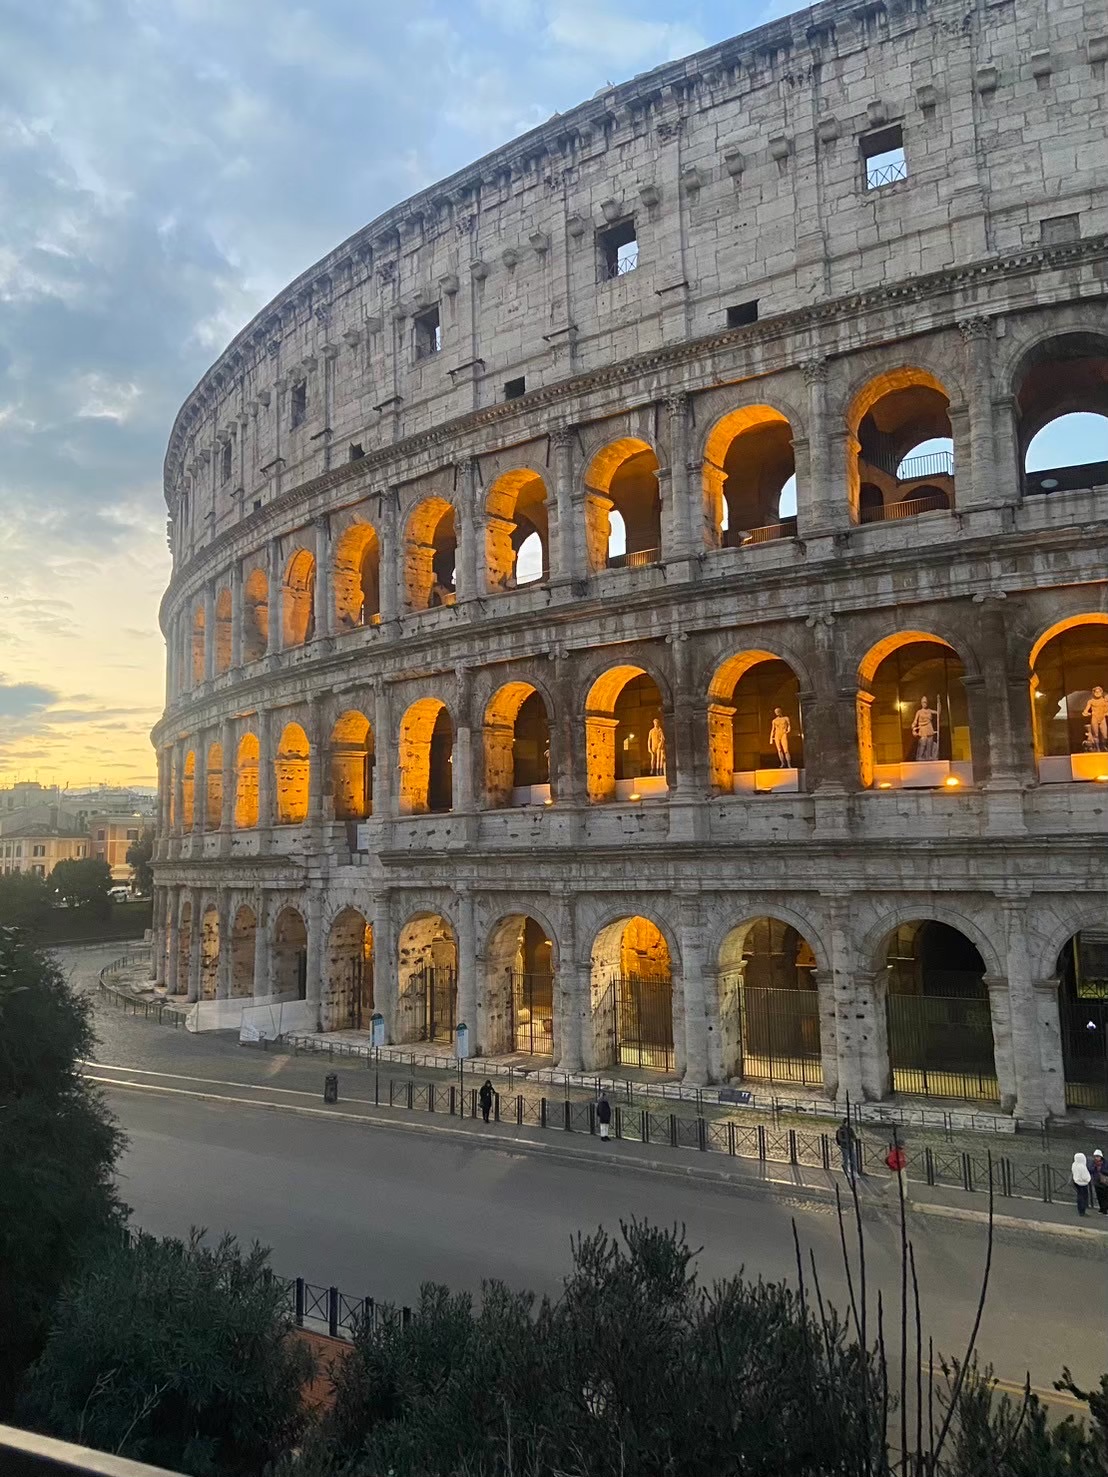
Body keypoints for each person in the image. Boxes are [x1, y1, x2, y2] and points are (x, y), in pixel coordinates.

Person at [911, 697, 939, 761]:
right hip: (922, 728)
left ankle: (929, 756)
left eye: (926, 702)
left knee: (930, 743)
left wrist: (939, 705)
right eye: (923, 702)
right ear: (921, 703)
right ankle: (920, 756)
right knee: (923, 743)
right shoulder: (919, 712)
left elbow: (937, 712)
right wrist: (913, 727)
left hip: (929, 728)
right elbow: (915, 721)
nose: (925, 704)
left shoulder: (929, 711)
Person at [885, 1139, 909, 1204]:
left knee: (903, 1183)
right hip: (896, 1170)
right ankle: (885, 1189)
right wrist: (896, 1167)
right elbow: (890, 1161)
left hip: (901, 1169)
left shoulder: (900, 1152)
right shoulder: (894, 1153)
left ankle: (904, 1196)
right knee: (895, 1183)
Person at [1072, 1151, 1092, 1215]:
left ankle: (1080, 1210)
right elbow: (1085, 1176)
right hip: (1083, 1183)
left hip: (1076, 1182)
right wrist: (1088, 1179)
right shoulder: (1082, 1166)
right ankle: (1082, 1211)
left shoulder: (1074, 1164)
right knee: (1083, 1197)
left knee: (1079, 1196)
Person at [1090, 1149, 1108, 1215]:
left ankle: (1105, 1209)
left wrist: (1102, 1170)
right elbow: (1090, 1170)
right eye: (1095, 1156)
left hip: (1105, 1182)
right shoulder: (1093, 1163)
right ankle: (1101, 1208)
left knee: (1105, 1196)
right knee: (1099, 1196)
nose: (1096, 1158)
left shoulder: (1106, 1163)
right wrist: (1095, 1167)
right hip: (1097, 1181)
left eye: (1098, 1156)